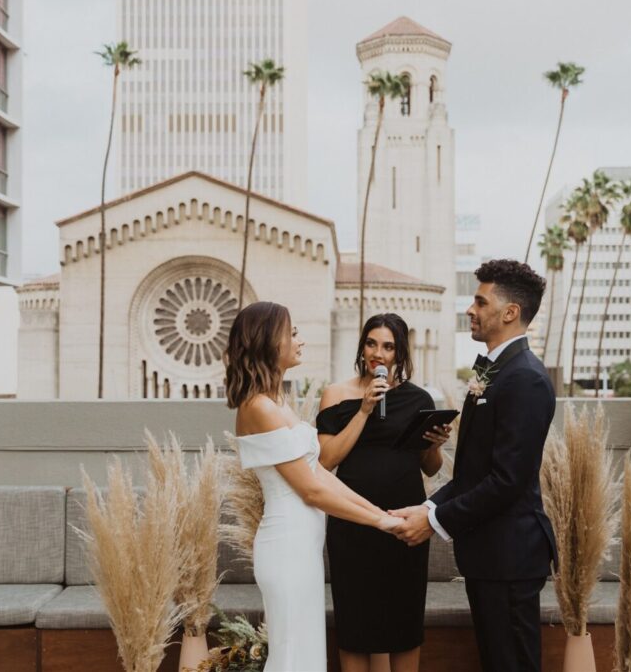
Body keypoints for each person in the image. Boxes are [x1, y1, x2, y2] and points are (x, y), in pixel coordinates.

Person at [390, 259, 558, 672]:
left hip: (511, 556)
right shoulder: (494, 371)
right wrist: (428, 508)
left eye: (480, 302)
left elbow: (507, 482)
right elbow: (473, 474)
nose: (471, 309)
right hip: (491, 555)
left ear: (510, 312)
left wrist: (433, 522)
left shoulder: (526, 379)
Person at [226, 301, 403, 672]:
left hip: (303, 548)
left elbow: (322, 475)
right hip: (285, 549)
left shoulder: (277, 402)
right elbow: (311, 491)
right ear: (268, 341)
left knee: (306, 656)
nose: (300, 341)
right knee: (292, 658)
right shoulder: (259, 407)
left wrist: (379, 513)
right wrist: (380, 523)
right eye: (292, 333)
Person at [316, 313, 451, 672]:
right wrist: (364, 410)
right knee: (356, 625)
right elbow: (326, 460)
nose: (378, 353)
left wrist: (435, 445)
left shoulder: (418, 398)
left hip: (406, 523)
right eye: (372, 343)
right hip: (353, 523)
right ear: (362, 346)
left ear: (399, 352)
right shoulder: (336, 394)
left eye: (388, 346)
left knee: (403, 624)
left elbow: (430, 467)